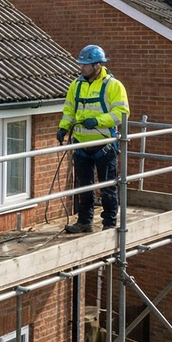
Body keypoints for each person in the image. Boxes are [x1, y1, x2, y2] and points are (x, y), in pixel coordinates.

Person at [58, 45, 130, 234]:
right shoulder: (76, 85)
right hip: (81, 144)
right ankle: (84, 222)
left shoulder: (113, 86)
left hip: (103, 145)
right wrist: (63, 128)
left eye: (85, 65)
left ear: (97, 65)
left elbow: (121, 113)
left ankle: (109, 224)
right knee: (84, 186)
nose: (81, 68)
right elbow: (69, 110)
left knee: (107, 186)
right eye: (81, 64)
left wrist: (97, 121)